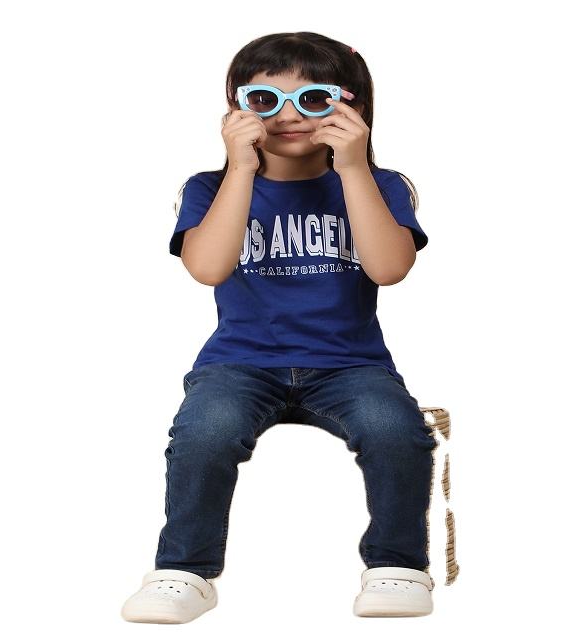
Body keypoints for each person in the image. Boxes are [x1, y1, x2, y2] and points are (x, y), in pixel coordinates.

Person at [121, 31, 438, 624]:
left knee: (396, 430)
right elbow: (207, 268)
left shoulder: (381, 185)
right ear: (236, 108)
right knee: (205, 432)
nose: (288, 115)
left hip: (351, 365)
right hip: (240, 362)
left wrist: (352, 167)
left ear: (351, 107)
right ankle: (184, 570)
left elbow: (389, 269)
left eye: (314, 99)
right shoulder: (210, 188)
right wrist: (242, 168)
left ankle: (398, 565)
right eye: (265, 100)